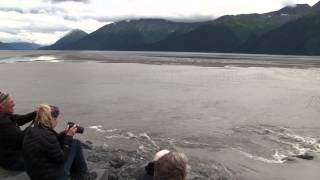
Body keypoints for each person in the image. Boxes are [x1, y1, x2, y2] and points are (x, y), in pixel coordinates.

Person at [22, 104, 97, 180]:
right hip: (53, 177)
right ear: (51, 119)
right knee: (75, 143)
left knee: (72, 143)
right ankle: (82, 176)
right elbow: (62, 158)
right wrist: (69, 137)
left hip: (36, 175)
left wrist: (65, 133)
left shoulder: (32, 130)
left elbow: (50, 143)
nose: (57, 120)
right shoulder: (47, 135)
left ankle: (79, 176)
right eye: (56, 118)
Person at [0, 91, 36, 171]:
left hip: (6, 156)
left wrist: (36, 113)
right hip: (13, 161)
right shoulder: (3, 123)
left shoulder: (5, 117)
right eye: (10, 102)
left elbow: (19, 119)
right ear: (1, 107)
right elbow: (21, 140)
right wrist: (36, 124)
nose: (14, 104)